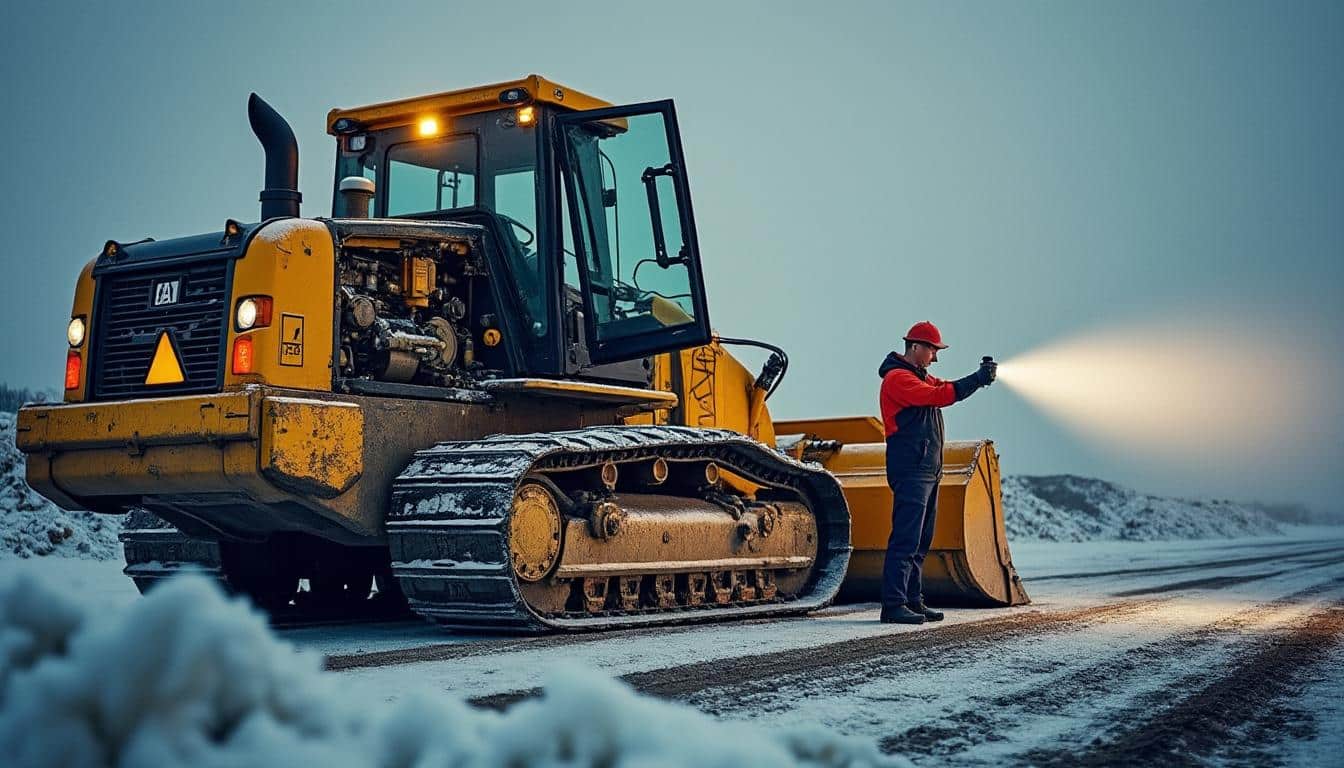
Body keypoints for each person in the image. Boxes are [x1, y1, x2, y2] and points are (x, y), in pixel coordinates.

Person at [877, 321, 996, 624]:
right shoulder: (897, 379)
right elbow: (940, 396)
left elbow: (944, 389)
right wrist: (978, 379)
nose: (935, 357)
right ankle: (893, 606)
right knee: (906, 539)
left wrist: (977, 381)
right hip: (911, 469)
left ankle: (913, 602)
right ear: (915, 347)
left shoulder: (922, 377)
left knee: (920, 542)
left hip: (927, 471)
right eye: (932, 350)